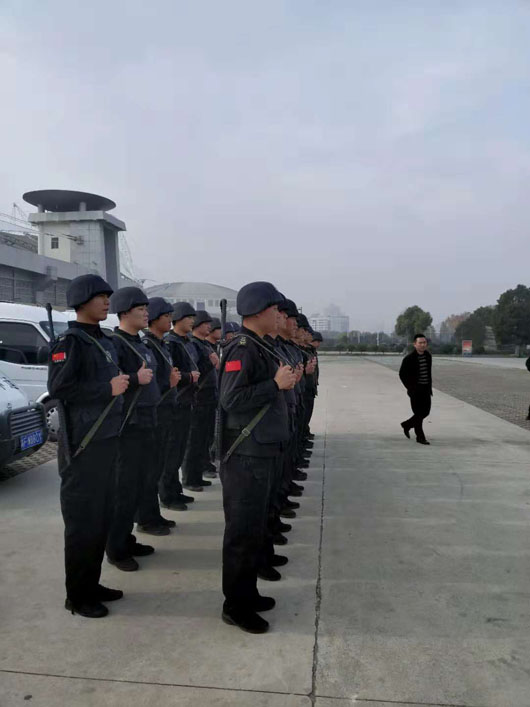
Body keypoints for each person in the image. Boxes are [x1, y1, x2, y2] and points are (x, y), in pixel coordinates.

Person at [48, 274, 129, 618]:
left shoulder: (103, 340)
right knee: (82, 523)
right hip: (82, 446)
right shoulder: (70, 342)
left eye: (108, 296)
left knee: (100, 518)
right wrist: (106, 389)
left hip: (106, 441)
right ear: (82, 300)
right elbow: (59, 388)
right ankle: (78, 596)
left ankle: (92, 584)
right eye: (100, 296)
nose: (107, 301)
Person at [219, 281, 296, 634]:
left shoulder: (260, 347)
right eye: (275, 309)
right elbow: (231, 400)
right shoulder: (242, 348)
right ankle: (235, 606)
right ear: (259, 310)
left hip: (261, 451)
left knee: (253, 530)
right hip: (245, 455)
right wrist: (275, 385)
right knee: (242, 533)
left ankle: (247, 594)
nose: (279, 315)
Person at [105, 287, 161, 572]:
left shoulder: (140, 343)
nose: (146, 313)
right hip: (127, 427)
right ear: (125, 311)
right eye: (141, 309)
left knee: (140, 485)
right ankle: (115, 548)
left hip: (146, 423)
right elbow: (110, 382)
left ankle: (127, 538)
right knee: (123, 490)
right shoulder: (115, 344)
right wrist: (134, 378)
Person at [141, 297, 182, 528]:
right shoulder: (148, 346)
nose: (170, 320)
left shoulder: (162, 345)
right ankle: (147, 517)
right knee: (151, 468)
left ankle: (153, 514)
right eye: (166, 316)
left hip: (168, 410)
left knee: (162, 463)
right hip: (155, 413)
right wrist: (169, 383)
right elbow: (151, 384)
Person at [161, 302, 200, 507]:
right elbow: (170, 374)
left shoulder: (187, 342)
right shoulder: (171, 343)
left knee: (179, 450)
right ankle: (167, 494)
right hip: (176, 401)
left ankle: (175, 490)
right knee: (171, 452)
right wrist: (188, 377)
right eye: (188, 318)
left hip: (187, 401)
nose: (192, 321)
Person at [181, 310, 220, 491]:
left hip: (209, 397)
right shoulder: (194, 345)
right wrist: (210, 363)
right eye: (206, 323)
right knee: (194, 440)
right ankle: (189, 478)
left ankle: (198, 474)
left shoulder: (204, 344)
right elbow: (197, 370)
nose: (209, 327)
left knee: (205, 438)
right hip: (199, 398)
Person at [399, 334, 433, 445]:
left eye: (424, 342)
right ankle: (420, 437)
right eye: (420, 343)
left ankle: (407, 424)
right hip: (415, 390)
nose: (423, 345)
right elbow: (402, 374)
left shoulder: (428, 356)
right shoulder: (409, 359)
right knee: (418, 413)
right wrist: (410, 387)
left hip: (426, 389)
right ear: (415, 344)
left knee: (425, 412)